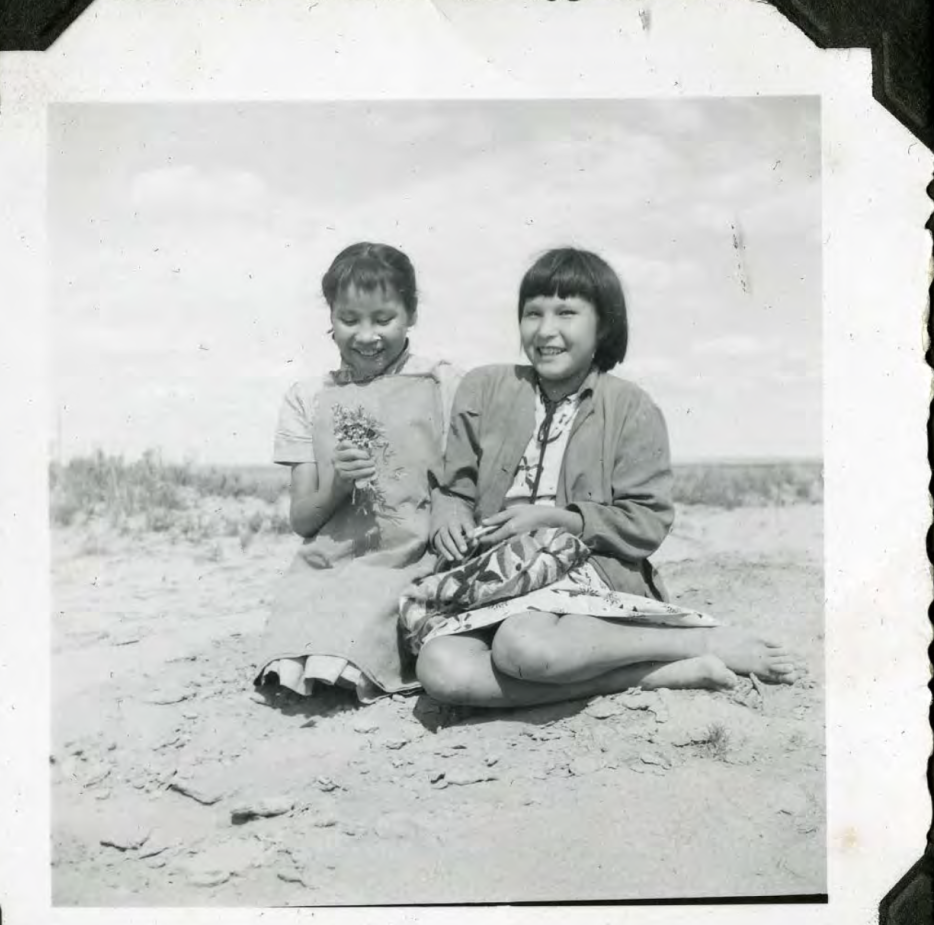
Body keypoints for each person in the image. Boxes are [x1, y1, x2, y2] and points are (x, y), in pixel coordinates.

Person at [414, 247, 804, 708]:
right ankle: (650, 674)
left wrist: (559, 520)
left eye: (567, 312)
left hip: (588, 575)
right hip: (491, 578)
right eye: (532, 313)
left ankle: (699, 642)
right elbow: (453, 486)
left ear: (604, 325)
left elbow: (647, 522)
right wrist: (449, 515)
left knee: (523, 646)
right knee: (440, 669)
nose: (545, 330)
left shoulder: (631, 407)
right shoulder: (484, 387)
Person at [257, 242, 458, 701]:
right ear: (330, 316)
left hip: (415, 555)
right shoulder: (306, 397)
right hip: (329, 561)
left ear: (411, 314)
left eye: (383, 319)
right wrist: (338, 484)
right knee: (294, 649)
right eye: (350, 320)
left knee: (352, 639)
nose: (366, 336)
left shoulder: (442, 383)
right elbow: (303, 520)